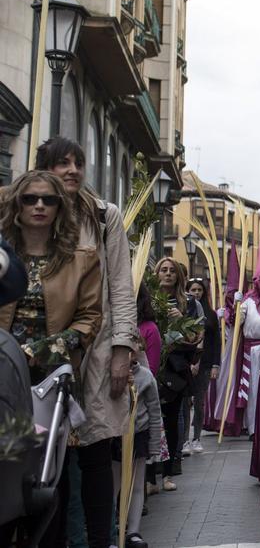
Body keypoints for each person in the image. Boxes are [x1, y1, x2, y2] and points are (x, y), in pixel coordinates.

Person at [35, 136, 139, 547]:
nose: (73, 170)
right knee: (47, 459)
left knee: (96, 453)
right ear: (45, 168)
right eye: (63, 163)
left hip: (95, 352)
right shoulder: (33, 210)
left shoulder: (102, 215)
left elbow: (120, 285)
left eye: (78, 162)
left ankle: (101, 541)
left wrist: (121, 349)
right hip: (45, 353)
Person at [0, 171, 103, 546]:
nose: (39, 206)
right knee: (5, 469)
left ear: (61, 207)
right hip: (3, 376)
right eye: (29, 199)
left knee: (48, 477)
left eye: (49, 199)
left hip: (51, 381)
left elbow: (91, 318)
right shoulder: (2, 254)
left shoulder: (83, 258)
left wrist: (43, 350)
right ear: (17, 204)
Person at [210, 232, 260, 437]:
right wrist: (233, 306)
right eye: (258, 278)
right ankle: (253, 427)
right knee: (252, 390)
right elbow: (235, 322)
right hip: (249, 352)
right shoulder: (246, 301)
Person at [151, 257, 202, 487]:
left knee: (172, 419)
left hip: (176, 367)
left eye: (172, 270)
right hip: (152, 364)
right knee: (152, 421)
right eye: (164, 270)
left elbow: (196, 337)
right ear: (157, 273)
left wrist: (182, 320)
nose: (168, 274)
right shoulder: (149, 299)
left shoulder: (189, 303)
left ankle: (169, 473)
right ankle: (150, 476)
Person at [111, 333, 162, 548]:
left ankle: (133, 531)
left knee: (136, 484)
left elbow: (154, 411)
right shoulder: (111, 375)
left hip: (138, 434)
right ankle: (110, 529)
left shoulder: (146, 377)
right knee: (114, 484)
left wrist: (154, 444)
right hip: (116, 434)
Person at [182, 278, 219, 455]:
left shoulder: (211, 315)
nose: (196, 293)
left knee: (199, 402)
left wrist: (215, 365)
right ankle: (184, 440)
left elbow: (216, 341)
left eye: (199, 290)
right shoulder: (183, 311)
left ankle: (196, 438)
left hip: (204, 364)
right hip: (185, 363)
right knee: (184, 402)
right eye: (193, 289)